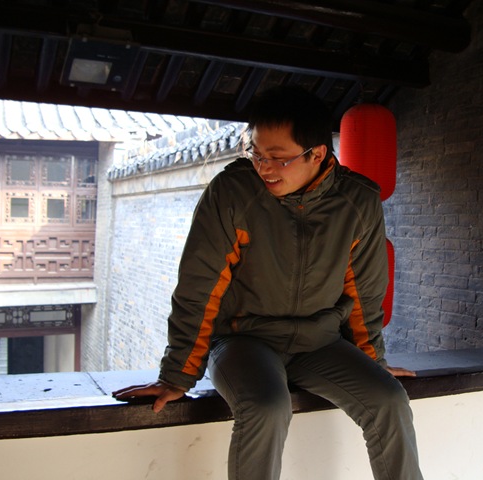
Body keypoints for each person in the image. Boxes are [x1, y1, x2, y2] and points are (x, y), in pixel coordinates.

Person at [113, 86, 423, 480]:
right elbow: (199, 286)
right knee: (265, 406)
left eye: (278, 158)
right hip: (243, 341)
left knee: (389, 399)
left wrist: (374, 362)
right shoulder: (233, 193)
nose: (264, 168)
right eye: (256, 154)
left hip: (320, 343)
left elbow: (365, 292)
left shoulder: (357, 201)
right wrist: (177, 375)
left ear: (317, 154)